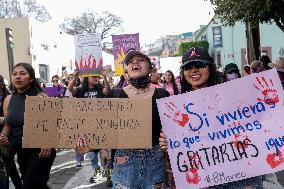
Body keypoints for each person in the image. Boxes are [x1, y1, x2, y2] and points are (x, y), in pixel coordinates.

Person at [159, 47, 263, 189]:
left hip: (241, 172)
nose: (194, 70)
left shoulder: (232, 95)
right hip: (205, 178)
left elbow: (254, 127)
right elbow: (180, 146)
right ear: (183, 73)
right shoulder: (177, 108)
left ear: (211, 68)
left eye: (200, 65)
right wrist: (167, 143)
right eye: (188, 67)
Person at [76, 48, 170, 188]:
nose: (134, 63)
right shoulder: (114, 95)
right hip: (124, 162)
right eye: (130, 62)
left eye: (140, 60)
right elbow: (102, 129)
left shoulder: (163, 95)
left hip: (156, 162)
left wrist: (170, 141)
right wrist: (90, 147)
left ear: (150, 68)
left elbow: (172, 130)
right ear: (126, 72)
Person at [0, 63, 56, 189]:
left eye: (22, 74)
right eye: (14, 74)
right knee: (36, 185)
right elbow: (8, 125)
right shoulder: (8, 99)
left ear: (31, 78)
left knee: (30, 186)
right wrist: (2, 138)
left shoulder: (41, 97)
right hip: (21, 151)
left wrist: (47, 142)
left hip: (41, 151)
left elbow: (51, 125)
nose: (17, 77)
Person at [68, 69, 111, 183]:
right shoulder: (81, 90)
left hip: (101, 125)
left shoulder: (100, 89)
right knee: (91, 152)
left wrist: (105, 78)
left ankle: (108, 173)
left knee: (104, 150)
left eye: (98, 77)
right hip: (86, 126)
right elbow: (70, 89)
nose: (97, 79)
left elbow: (107, 91)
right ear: (87, 77)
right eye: (94, 77)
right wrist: (74, 77)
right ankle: (97, 171)